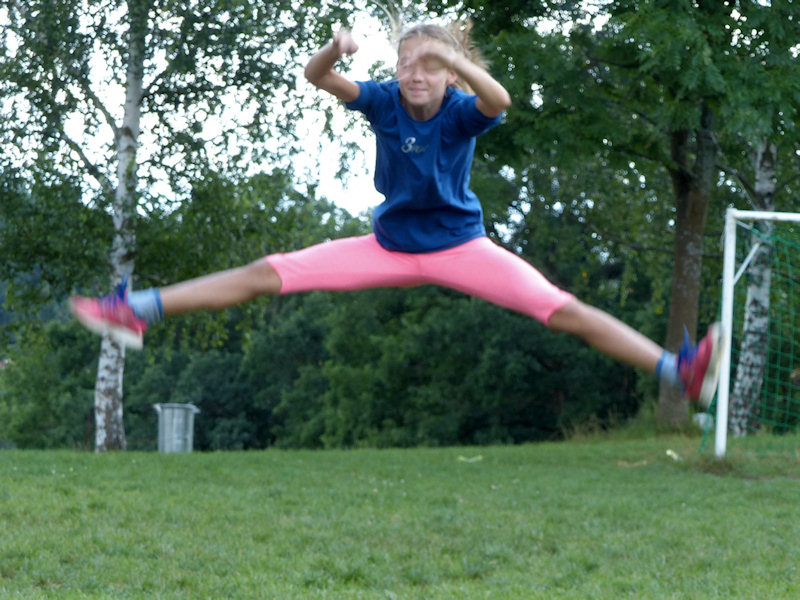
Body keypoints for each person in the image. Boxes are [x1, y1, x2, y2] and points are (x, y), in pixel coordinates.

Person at [70, 22, 724, 407]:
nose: (416, 74)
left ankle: (681, 371)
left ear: (449, 75)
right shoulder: (383, 100)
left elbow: (499, 101)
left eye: (430, 67)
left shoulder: (461, 112)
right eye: (407, 63)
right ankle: (136, 309)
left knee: (562, 309)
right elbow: (317, 77)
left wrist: (455, 60)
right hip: (387, 246)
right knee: (267, 272)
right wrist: (335, 49)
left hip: (460, 248)